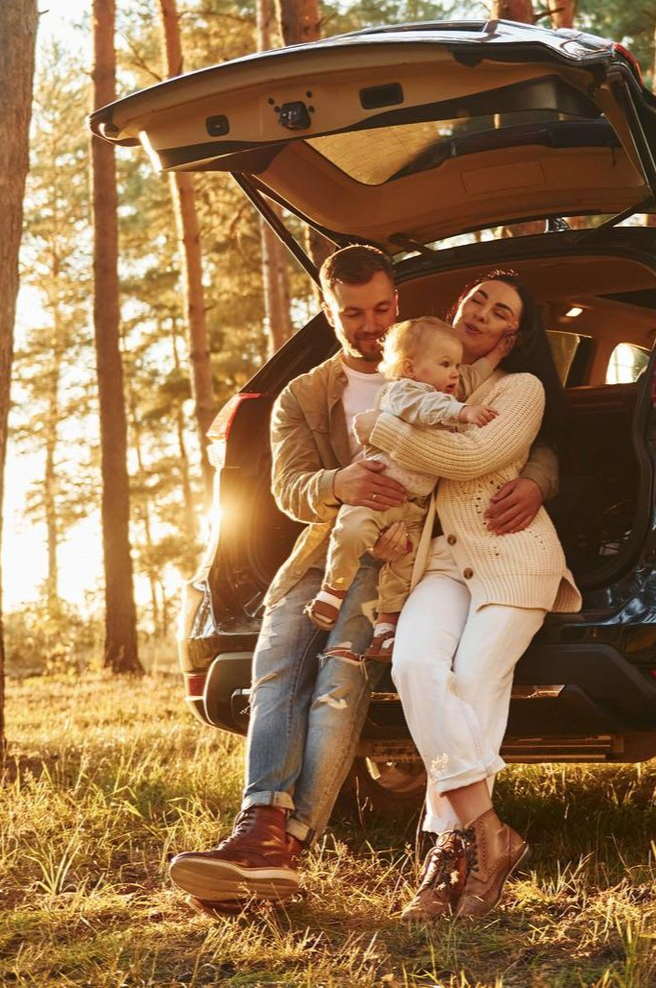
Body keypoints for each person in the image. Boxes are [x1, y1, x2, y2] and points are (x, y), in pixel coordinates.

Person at [168, 247, 556, 906]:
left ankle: (289, 843)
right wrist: (337, 481)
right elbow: (288, 487)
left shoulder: (444, 365)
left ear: (397, 304)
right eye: (353, 313)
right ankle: (259, 824)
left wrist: (541, 479)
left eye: (381, 308)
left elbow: (509, 437)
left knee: (339, 679)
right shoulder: (305, 392)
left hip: (399, 557)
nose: (370, 324)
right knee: (274, 666)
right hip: (323, 548)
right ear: (328, 311)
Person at [350, 274, 580, 921]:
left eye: (501, 307)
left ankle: (445, 861)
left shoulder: (520, 389)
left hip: (513, 562)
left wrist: (380, 425)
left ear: (514, 332)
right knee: (416, 666)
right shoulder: (431, 385)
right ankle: (489, 833)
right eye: (477, 297)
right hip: (441, 566)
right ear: (455, 310)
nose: (483, 310)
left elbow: (474, 454)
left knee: (475, 677)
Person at [305, 316, 501, 663]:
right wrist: (463, 412)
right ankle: (333, 591)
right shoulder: (403, 393)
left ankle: (385, 630)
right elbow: (425, 409)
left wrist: (496, 355)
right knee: (351, 531)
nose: (455, 373)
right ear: (410, 368)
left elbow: (471, 377)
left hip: (415, 507)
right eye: (445, 364)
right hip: (377, 493)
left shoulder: (443, 395)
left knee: (406, 570)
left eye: (457, 364)